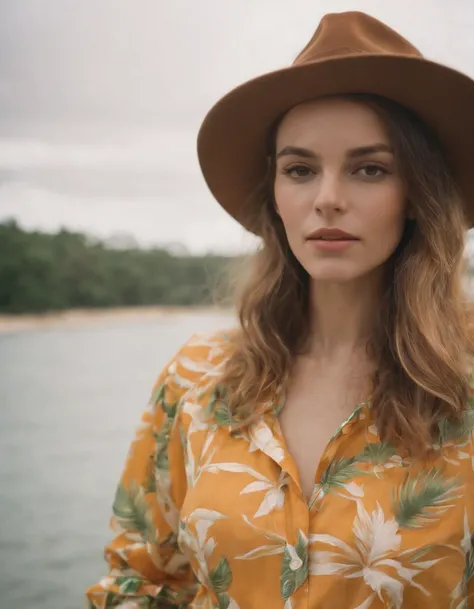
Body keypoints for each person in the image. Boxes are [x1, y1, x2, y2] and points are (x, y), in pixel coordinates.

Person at [86, 11, 474, 609]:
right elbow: (141, 581)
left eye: (370, 169)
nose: (327, 199)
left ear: (418, 192)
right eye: (300, 170)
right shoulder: (196, 379)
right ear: (275, 194)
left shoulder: (466, 381)